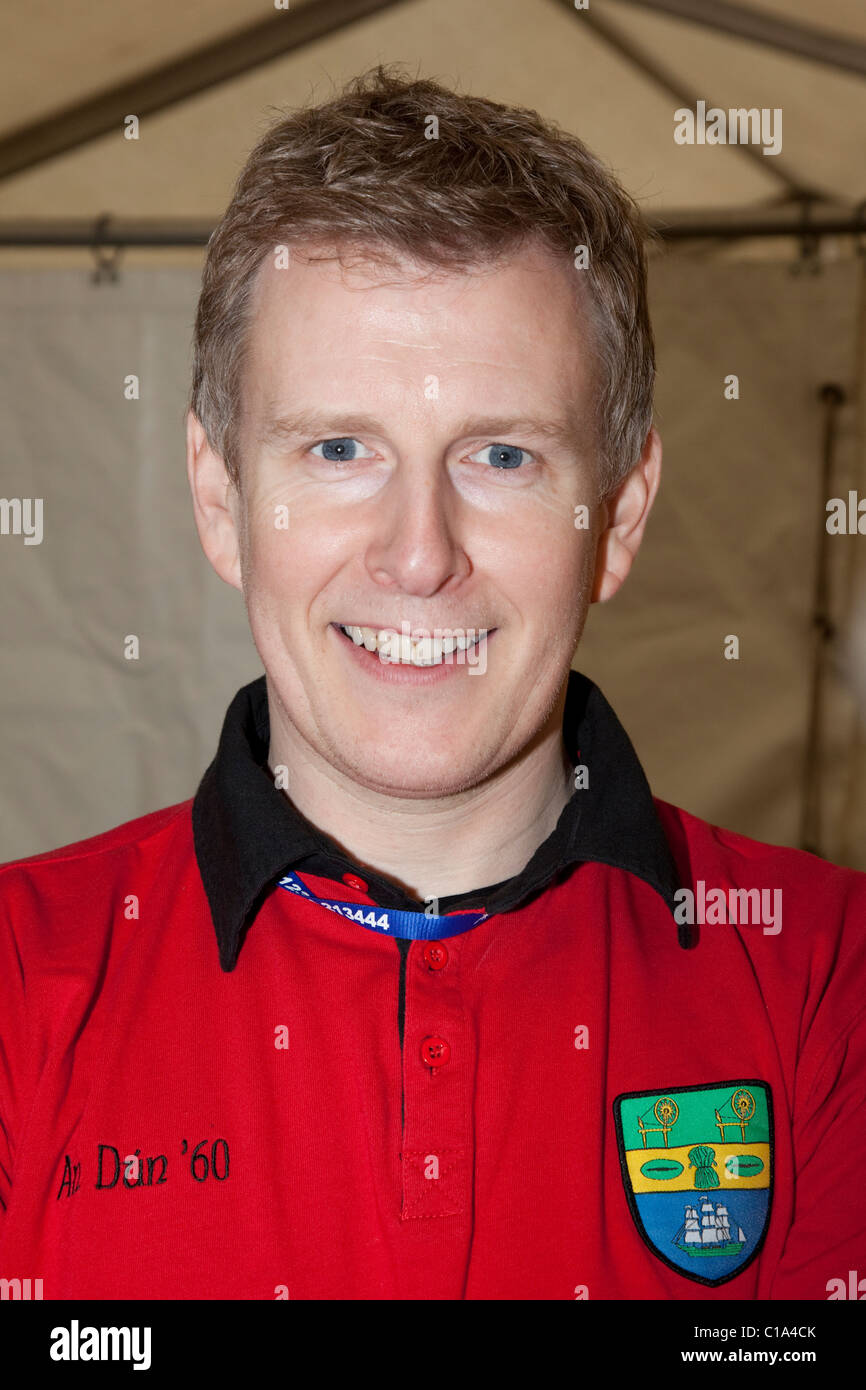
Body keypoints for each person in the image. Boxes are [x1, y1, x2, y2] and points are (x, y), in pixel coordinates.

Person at [0, 66, 863, 1302]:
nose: (418, 552)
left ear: (614, 515)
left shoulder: (831, 984)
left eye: (501, 454)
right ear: (218, 497)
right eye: (339, 449)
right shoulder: (19, 987)